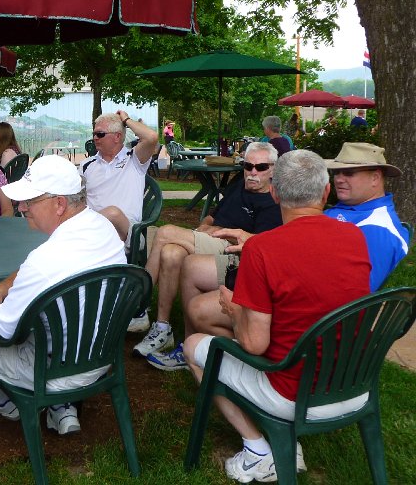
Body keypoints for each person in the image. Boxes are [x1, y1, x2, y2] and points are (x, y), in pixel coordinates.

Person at [183, 150, 371, 483]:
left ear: (274, 192)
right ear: (326, 192)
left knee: (193, 345)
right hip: (354, 385)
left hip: (292, 393)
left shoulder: (262, 249)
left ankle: (257, 449)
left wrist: (234, 309)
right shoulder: (355, 238)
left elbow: (254, 344)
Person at [0, 155, 127, 435]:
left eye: (30, 201)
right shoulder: (102, 227)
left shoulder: (44, 261)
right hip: (100, 354)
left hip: (58, 369)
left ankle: (1, 401)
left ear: (59, 203)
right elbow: (33, 271)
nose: (21, 208)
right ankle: (61, 407)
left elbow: (7, 329)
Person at [135, 142, 282, 365]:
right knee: (171, 253)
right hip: (211, 238)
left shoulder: (273, 200)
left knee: (165, 232)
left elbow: (257, 245)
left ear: (274, 169)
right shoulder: (239, 184)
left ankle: (138, 305)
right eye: (247, 165)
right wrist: (205, 226)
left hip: (233, 251)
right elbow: (214, 214)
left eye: (260, 167)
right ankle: (163, 329)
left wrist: (221, 233)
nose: (252, 172)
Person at [325, 142, 409, 291]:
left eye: (349, 173)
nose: (338, 179)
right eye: (336, 172)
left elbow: (356, 293)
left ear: (375, 178)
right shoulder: (353, 208)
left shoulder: (378, 229)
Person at [78, 111, 159, 241]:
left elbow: (151, 137)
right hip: (92, 232)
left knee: (113, 213)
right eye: (94, 134)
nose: (95, 138)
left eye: (100, 134)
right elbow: (77, 199)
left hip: (125, 232)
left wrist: (126, 119)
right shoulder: (86, 165)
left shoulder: (134, 159)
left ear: (117, 136)